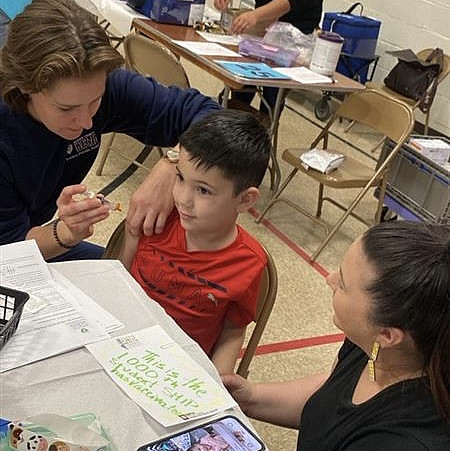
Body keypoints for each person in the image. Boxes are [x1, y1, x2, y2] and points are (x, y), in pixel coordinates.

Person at [0, 0, 220, 261]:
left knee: (135, 278)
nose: (86, 122)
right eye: (66, 109)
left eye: (95, 102)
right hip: (10, 253)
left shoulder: (100, 82)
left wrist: (173, 164)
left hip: (23, 238)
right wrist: (66, 233)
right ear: (25, 87)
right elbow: (10, 254)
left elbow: (213, 116)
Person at [222, 221, 450, 450]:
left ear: (387, 334)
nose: (329, 279)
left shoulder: (402, 441)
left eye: (342, 283)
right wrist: (250, 397)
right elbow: (331, 397)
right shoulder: (374, 346)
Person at [118, 110, 271, 374]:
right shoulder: (158, 217)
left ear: (245, 200)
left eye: (203, 190)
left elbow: (233, 331)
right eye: (179, 178)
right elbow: (117, 278)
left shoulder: (248, 263)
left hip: (179, 371)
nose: (183, 198)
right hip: (121, 344)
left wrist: (217, 384)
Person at [214, 0, 323, 113]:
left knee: (273, 93)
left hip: (294, 40)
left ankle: (267, 125)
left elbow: (287, 3)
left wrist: (255, 15)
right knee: (243, 83)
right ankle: (237, 119)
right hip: (264, 31)